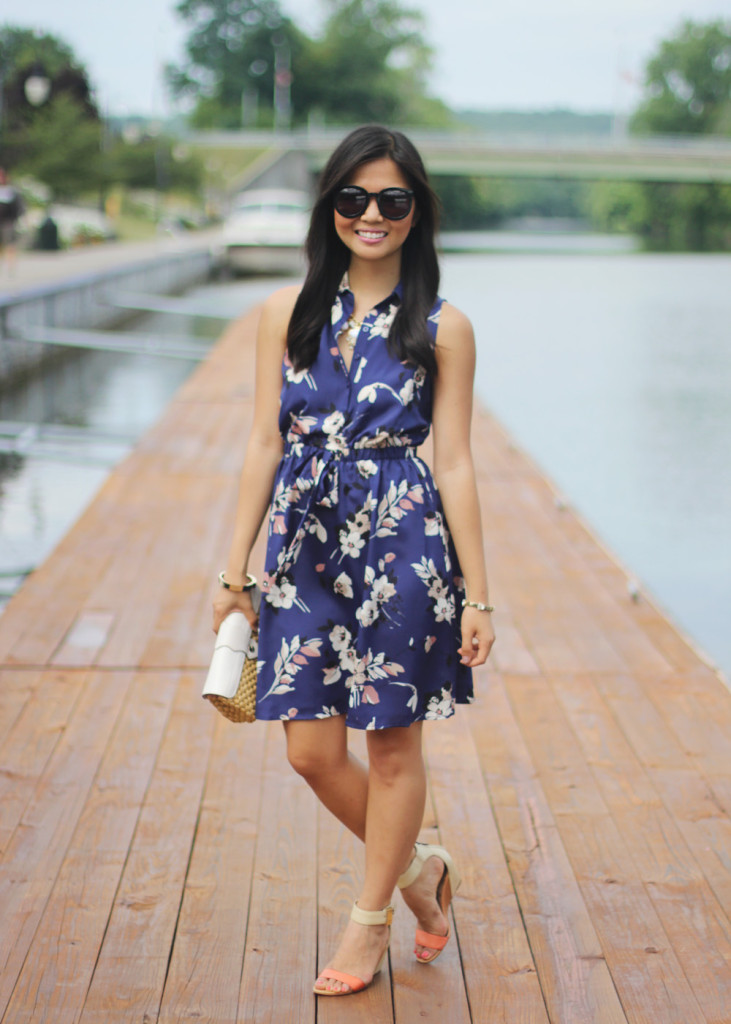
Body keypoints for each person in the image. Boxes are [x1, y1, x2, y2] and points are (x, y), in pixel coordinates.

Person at [213, 124, 495, 997]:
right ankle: (417, 874)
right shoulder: (282, 313)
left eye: (392, 200)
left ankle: (368, 921)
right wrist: (233, 577)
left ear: (416, 214)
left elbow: (453, 461)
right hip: (302, 549)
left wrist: (479, 597)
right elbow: (263, 441)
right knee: (307, 750)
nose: (371, 214)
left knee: (390, 750)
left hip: (403, 544)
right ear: (330, 206)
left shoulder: (445, 326)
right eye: (354, 198)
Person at [0, 168, 24, 276]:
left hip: (8, 222)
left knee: (10, 245)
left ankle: (10, 267)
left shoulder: (11, 191)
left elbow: (19, 207)